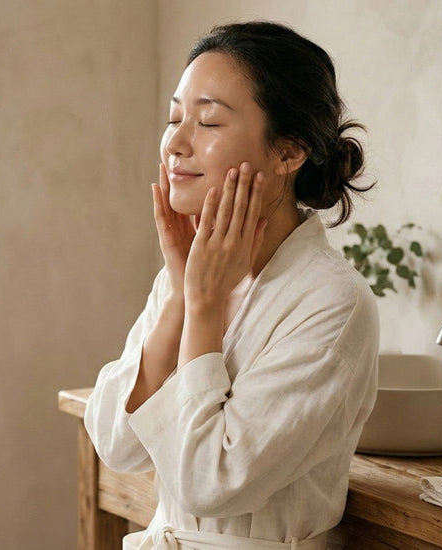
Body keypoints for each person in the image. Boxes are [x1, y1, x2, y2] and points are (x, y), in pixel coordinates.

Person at [83, 21, 380, 550]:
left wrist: (202, 305)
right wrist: (179, 297)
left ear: (288, 152)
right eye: (175, 117)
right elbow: (114, 443)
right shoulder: (188, 280)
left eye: (208, 121)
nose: (175, 143)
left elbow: (209, 483)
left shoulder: (333, 302)